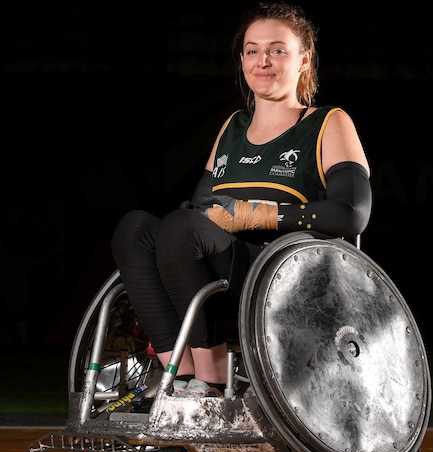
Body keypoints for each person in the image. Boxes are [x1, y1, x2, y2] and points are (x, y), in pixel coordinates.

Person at [110, 2, 372, 397]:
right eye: (252, 50)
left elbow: (351, 215)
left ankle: (212, 381)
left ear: (304, 59)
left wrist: (257, 214)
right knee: (135, 228)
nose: (262, 61)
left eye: (277, 50)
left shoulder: (327, 122)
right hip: (223, 266)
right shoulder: (233, 127)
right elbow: (201, 207)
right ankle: (178, 378)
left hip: (288, 279)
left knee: (183, 231)